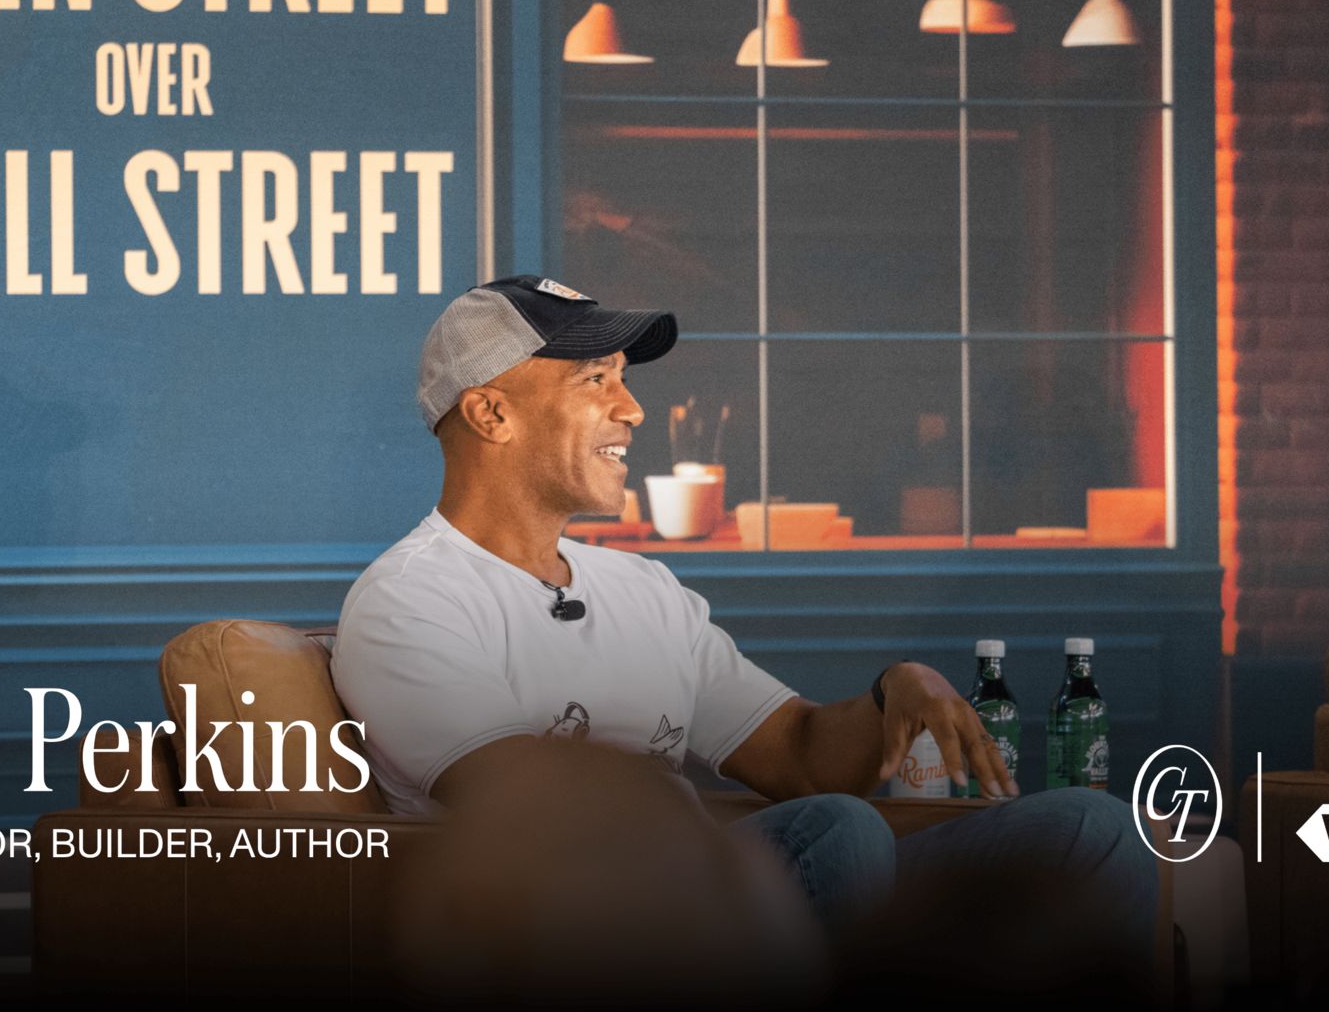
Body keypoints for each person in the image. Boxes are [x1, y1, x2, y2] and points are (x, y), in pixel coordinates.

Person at [330, 274, 1158, 991]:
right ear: (490, 414)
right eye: (594, 380)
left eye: (624, 376)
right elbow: (530, 809)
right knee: (840, 829)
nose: (633, 407)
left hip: (734, 906)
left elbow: (798, 752)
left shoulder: (640, 586)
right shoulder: (410, 602)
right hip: (588, 937)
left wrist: (888, 696)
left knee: (1089, 830)